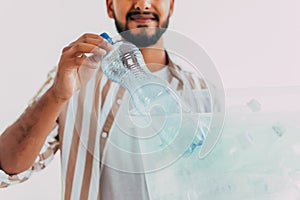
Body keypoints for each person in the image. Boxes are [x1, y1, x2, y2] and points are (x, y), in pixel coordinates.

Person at [0, 0, 212, 199]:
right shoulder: (72, 78)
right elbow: (8, 168)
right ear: (110, 5)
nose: (142, 4)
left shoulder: (201, 94)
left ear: (171, 5)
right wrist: (58, 95)